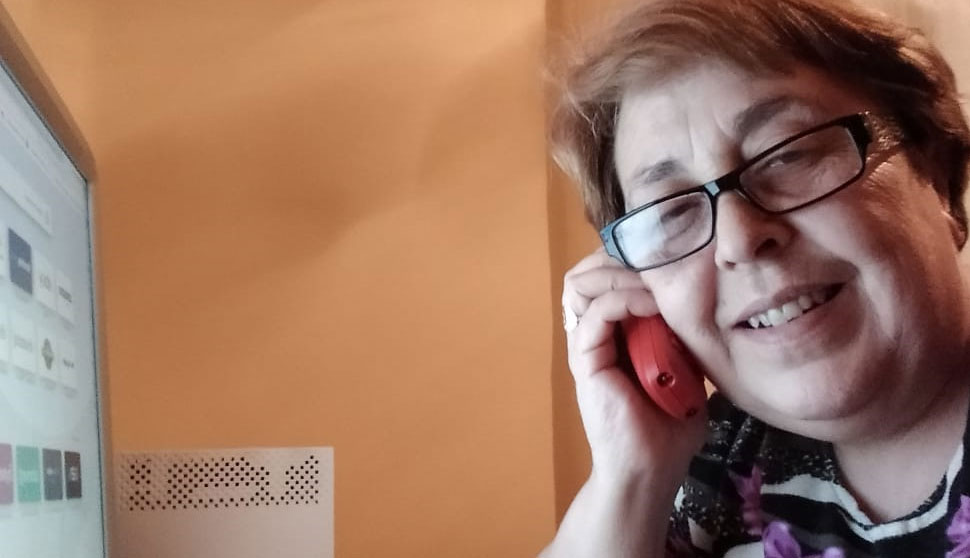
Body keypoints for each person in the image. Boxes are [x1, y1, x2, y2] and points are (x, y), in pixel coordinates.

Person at [541, 0, 970, 556]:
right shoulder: (720, 460)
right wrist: (629, 481)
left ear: (934, 174)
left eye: (789, 156)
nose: (740, 239)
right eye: (673, 210)